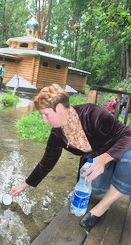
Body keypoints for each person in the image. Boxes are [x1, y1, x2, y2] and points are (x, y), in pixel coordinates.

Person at [9, 83, 131, 229]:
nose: (44, 121)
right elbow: (45, 164)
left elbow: (128, 135)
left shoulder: (92, 114)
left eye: (46, 115)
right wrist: (23, 186)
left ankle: (101, 208)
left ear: (60, 108)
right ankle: (118, 182)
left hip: (120, 154)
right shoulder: (57, 135)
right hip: (99, 165)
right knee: (95, 189)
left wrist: (104, 158)